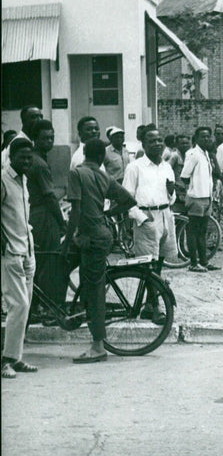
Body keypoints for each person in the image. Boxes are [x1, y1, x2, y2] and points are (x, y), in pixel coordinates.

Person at [62, 138, 137, 363]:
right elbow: (128, 200)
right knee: (86, 282)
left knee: (94, 291)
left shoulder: (77, 173)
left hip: (90, 237)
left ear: (84, 152)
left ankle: (98, 347)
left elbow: (75, 210)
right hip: (101, 233)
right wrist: (107, 215)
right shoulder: (103, 176)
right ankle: (76, 312)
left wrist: (67, 240)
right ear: (102, 157)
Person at [123, 128, 179, 324]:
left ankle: (149, 305)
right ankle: (155, 308)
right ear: (143, 144)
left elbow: (171, 197)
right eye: (152, 141)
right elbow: (126, 198)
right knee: (148, 266)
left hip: (165, 215)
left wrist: (171, 193)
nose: (157, 144)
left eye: (159, 140)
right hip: (146, 216)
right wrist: (140, 218)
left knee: (159, 265)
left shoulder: (166, 167)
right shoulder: (135, 167)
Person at [1, 138, 39, 378]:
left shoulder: (23, 179)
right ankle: (6, 360)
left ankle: (16, 357)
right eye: (22, 157)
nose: (26, 161)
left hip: (27, 249)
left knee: (25, 307)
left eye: (29, 157)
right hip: (11, 252)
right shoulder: (3, 179)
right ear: (12, 157)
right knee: (19, 305)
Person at [26, 120, 66, 319]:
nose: (49, 142)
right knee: (47, 262)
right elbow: (50, 196)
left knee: (39, 261)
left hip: (35, 212)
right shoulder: (39, 163)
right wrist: (62, 223)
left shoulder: (35, 158)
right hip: (43, 216)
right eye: (45, 138)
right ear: (35, 139)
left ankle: (35, 307)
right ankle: (41, 308)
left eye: (52, 138)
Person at [180, 127, 220, 271]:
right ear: (196, 139)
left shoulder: (206, 154)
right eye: (202, 137)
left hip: (207, 197)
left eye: (208, 137)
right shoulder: (193, 154)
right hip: (196, 198)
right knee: (193, 231)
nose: (206, 139)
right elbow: (184, 176)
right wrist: (193, 190)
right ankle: (193, 263)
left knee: (202, 231)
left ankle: (204, 261)